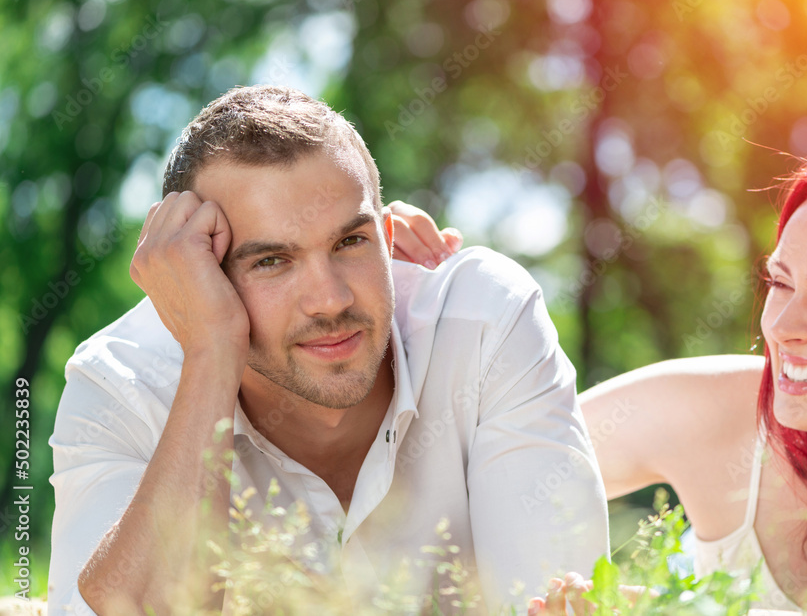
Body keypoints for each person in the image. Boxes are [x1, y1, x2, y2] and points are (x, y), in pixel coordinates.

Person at [47, 85, 610, 616]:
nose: (330, 300)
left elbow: (549, 597)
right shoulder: (118, 385)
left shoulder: (483, 322)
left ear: (386, 235)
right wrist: (211, 353)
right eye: (270, 261)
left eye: (349, 242)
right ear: (200, 274)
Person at [410, 139, 807, 613]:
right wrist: (411, 299)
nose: (784, 326)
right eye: (781, 283)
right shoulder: (717, 414)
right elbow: (455, 471)